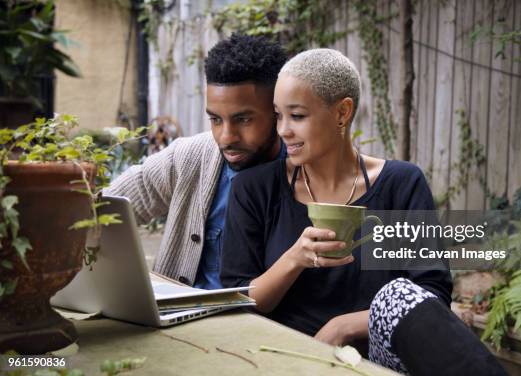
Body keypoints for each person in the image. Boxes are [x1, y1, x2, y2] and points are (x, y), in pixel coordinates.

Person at [220, 48, 452, 346]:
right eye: (278, 116)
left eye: (297, 116)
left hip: (378, 361)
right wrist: (294, 259)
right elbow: (239, 300)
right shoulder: (254, 189)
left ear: (342, 112)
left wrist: (342, 327)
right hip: (284, 356)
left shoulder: (402, 184)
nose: (283, 130)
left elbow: (432, 294)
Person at [105, 34, 287, 289]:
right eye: (215, 119)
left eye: (243, 120)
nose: (226, 137)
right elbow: (103, 211)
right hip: (180, 319)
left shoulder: (312, 168)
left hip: (263, 324)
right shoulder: (189, 157)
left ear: (277, 111)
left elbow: (365, 265)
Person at [369, 278, 507, 375]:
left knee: (396, 297)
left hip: (391, 352)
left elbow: (431, 294)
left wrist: (347, 326)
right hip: (356, 357)